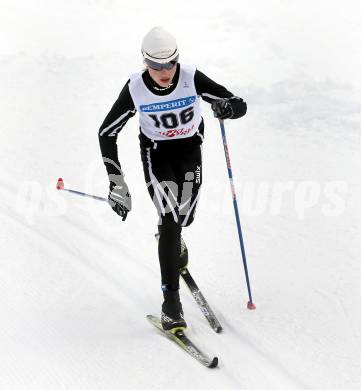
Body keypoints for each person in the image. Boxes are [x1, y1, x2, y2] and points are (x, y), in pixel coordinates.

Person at [98, 26, 247, 332]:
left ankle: (174, 240)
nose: (165, 72)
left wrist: (227, 108)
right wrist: (117, 181)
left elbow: (238, 104)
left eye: (170, 63)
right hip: (157, 156)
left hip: (190, 151)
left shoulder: (191, 77)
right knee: (169, 218)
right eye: (156, 66)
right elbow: (107, 132)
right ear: (145, 63)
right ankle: (171, 305)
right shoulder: (136, 88)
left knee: (185, 216)